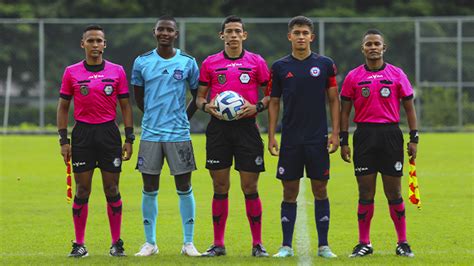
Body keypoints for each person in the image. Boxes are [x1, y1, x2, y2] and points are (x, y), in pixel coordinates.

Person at [196, 15, 270, 257]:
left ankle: (257, 244)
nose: (233, 35)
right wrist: (207, 107)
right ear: (222, 35)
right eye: (229, 31)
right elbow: (199, 98)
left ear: (244, 35)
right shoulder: (210, 63)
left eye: (238, 31)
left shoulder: (256, 62)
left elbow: (271, 95)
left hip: (247, 128)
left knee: (250, 186)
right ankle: (218, 244)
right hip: (219, 129)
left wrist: (256, 107)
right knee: (220, 185)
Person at [57, 25, 134, 257]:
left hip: (109, 134)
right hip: (82, 135)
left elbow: (125, 106)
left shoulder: (117, 71)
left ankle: (116, 243)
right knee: (82, 189)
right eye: (90, 41)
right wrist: (64, 140)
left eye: (99, 41)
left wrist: (129, 137)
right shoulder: (71, 72)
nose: (95, 45)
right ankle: (79, 244)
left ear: (105, 44)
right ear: (83, 44)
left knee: (112, 188)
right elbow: (63, 107)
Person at [340, 29, 418, 258]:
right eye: (369, 44)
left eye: (377, 44)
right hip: (363, 135)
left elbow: (409, 107)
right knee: (365, 191)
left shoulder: (396, 74)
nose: (373, 47)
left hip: (391, 134)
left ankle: (402, 242)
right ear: (362, 49)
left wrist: (414, 138)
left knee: (394, 191)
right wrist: (344, 141)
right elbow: (344, 112)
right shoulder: (353, 77)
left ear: (384, 48)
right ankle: (364, 242)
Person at [267, 16, 339, 259]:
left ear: (312, 37)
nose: (300, 36)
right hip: (290, 139)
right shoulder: (279, 67)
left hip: (317, 138)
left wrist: (335, 132)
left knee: (320, 188)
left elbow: (333, 99)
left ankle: (324, 246)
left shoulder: (325, 64)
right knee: (289, 191)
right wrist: (271, 135)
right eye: (296, 32)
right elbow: (274, 102)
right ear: (289, 36)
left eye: (304, 33)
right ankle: (286, 246)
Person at [131, 15, 201, 257]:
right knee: (149, 187)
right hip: (151, 133)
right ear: (154, 32)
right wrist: (154, 115)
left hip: (179, 134)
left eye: (169, 30)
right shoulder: (142, 62)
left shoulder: (188, 62)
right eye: (160, 29)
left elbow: (197, 97)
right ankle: (150, 243)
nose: (164, 33)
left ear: (175, 34)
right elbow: (138, 97)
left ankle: (188, 243)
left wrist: (182, 117)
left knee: (184, 186)